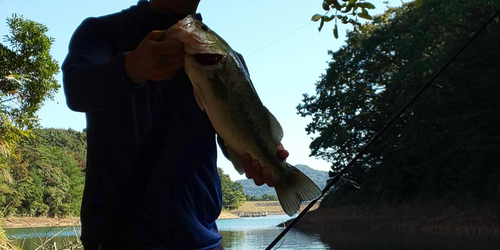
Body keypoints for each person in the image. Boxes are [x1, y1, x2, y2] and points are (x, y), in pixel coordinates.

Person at [62, 0, 288, 249]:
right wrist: (133, 67)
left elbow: (233, 134)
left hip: (203, 240)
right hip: (120, 238)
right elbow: (76, 91)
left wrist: (262, 152)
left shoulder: (227, 61)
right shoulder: (101, 32)